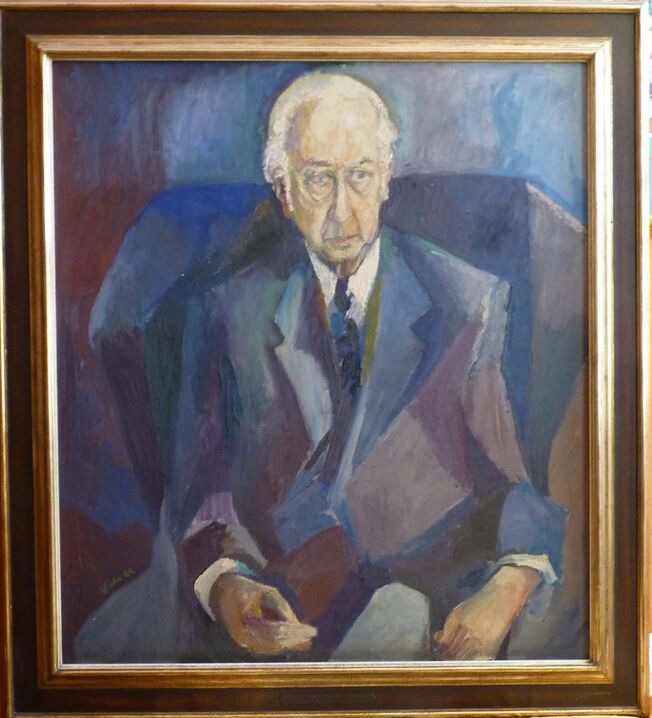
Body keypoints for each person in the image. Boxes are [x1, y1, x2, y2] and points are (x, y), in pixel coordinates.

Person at [75, 71, 566, 663]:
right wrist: (228, 586)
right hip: (282, 608)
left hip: (421, 606)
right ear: (283, 192)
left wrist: (511, 584)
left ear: (386, 179)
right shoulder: (225, 311)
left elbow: (510, 485)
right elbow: (202, 495)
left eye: (360, 175)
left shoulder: (468, 303)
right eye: (317, 179)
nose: (342, 210)